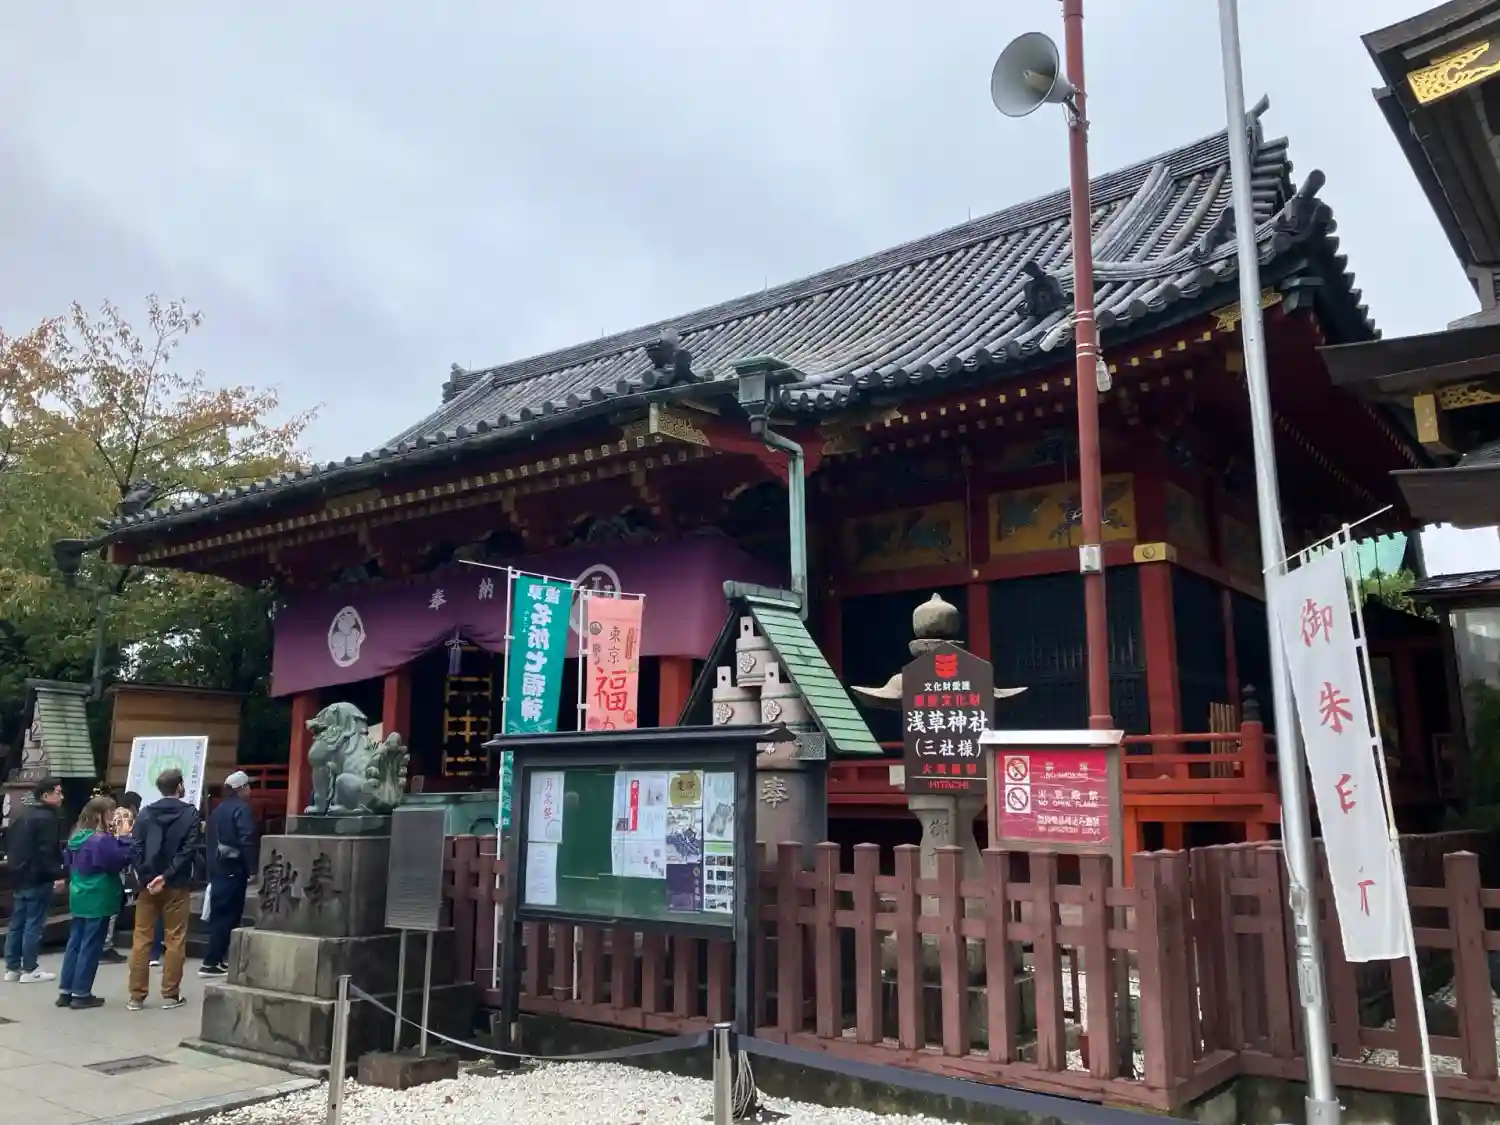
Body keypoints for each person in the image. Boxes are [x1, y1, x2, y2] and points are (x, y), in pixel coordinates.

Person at [128, 769, 200, 1011]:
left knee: (142, 939)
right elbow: (188, 850)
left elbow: (136, 848)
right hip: (176, 882)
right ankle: (170, 994)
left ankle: (136, 996)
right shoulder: (190, 813)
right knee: (175, 938)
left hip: (147, 885)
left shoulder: (145, 813)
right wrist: (166, 875)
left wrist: (147, 876)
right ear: (179, 786)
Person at [57, 796, 132, 1009]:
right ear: (100, 815)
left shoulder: (76, 836)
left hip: (79, 893)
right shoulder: (101, 840)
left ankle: (66, 991)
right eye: (111, 813)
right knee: (91, 946)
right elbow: (118, 860)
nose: (114, 817)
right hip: (99, 895)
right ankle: (81, 993)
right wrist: (125, 838)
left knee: (75, 943)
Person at [4, 777, 65, 983]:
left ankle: (12, 968)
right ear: (46, 795)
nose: (62, 796)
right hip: (38, 878)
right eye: (58, 792)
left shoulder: (22, 815)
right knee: (34, 924)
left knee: (17, 924)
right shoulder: (48, 819)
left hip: (19, 877)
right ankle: (30, 968)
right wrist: (57, 875)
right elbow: (48, 851)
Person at [200, 771, 257, 977]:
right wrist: (252, 868)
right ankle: (212, 961)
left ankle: (216, 959)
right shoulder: (241, 809)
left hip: (218, 868)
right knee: (228, 915)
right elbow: (247, 839)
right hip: (233, 868)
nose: (250, 790)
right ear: (240, 788)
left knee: (219, 914)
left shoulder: (218, 810)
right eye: (248, 786)